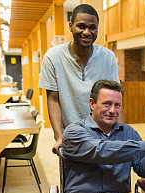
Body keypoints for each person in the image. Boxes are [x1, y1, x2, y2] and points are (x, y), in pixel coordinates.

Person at [39, 4, 121, 155]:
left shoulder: (108, 57)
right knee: (73, 178)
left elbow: (116, 99)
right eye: (81, 26)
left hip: (103, 136)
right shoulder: (53, 57)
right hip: (71, 137)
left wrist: (119, 133)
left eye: (92, 27)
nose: (87, 32)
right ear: (70, 26)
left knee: (107, 177)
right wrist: (59, 137)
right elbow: (53, 99)